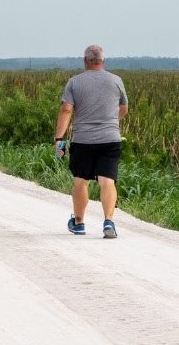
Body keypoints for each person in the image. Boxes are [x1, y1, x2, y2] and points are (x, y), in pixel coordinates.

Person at [53, 44, 128, 238]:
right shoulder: (116, 80)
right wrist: (111, 121)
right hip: (110, 138)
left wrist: (59, 140)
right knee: (107, 180)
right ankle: (109, 221)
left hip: (83, 140)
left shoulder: (74, 82)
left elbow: (66, 110)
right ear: (103, 61)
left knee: (81, 180)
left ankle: (79, 223)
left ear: (85, 61)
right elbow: (124, 108)